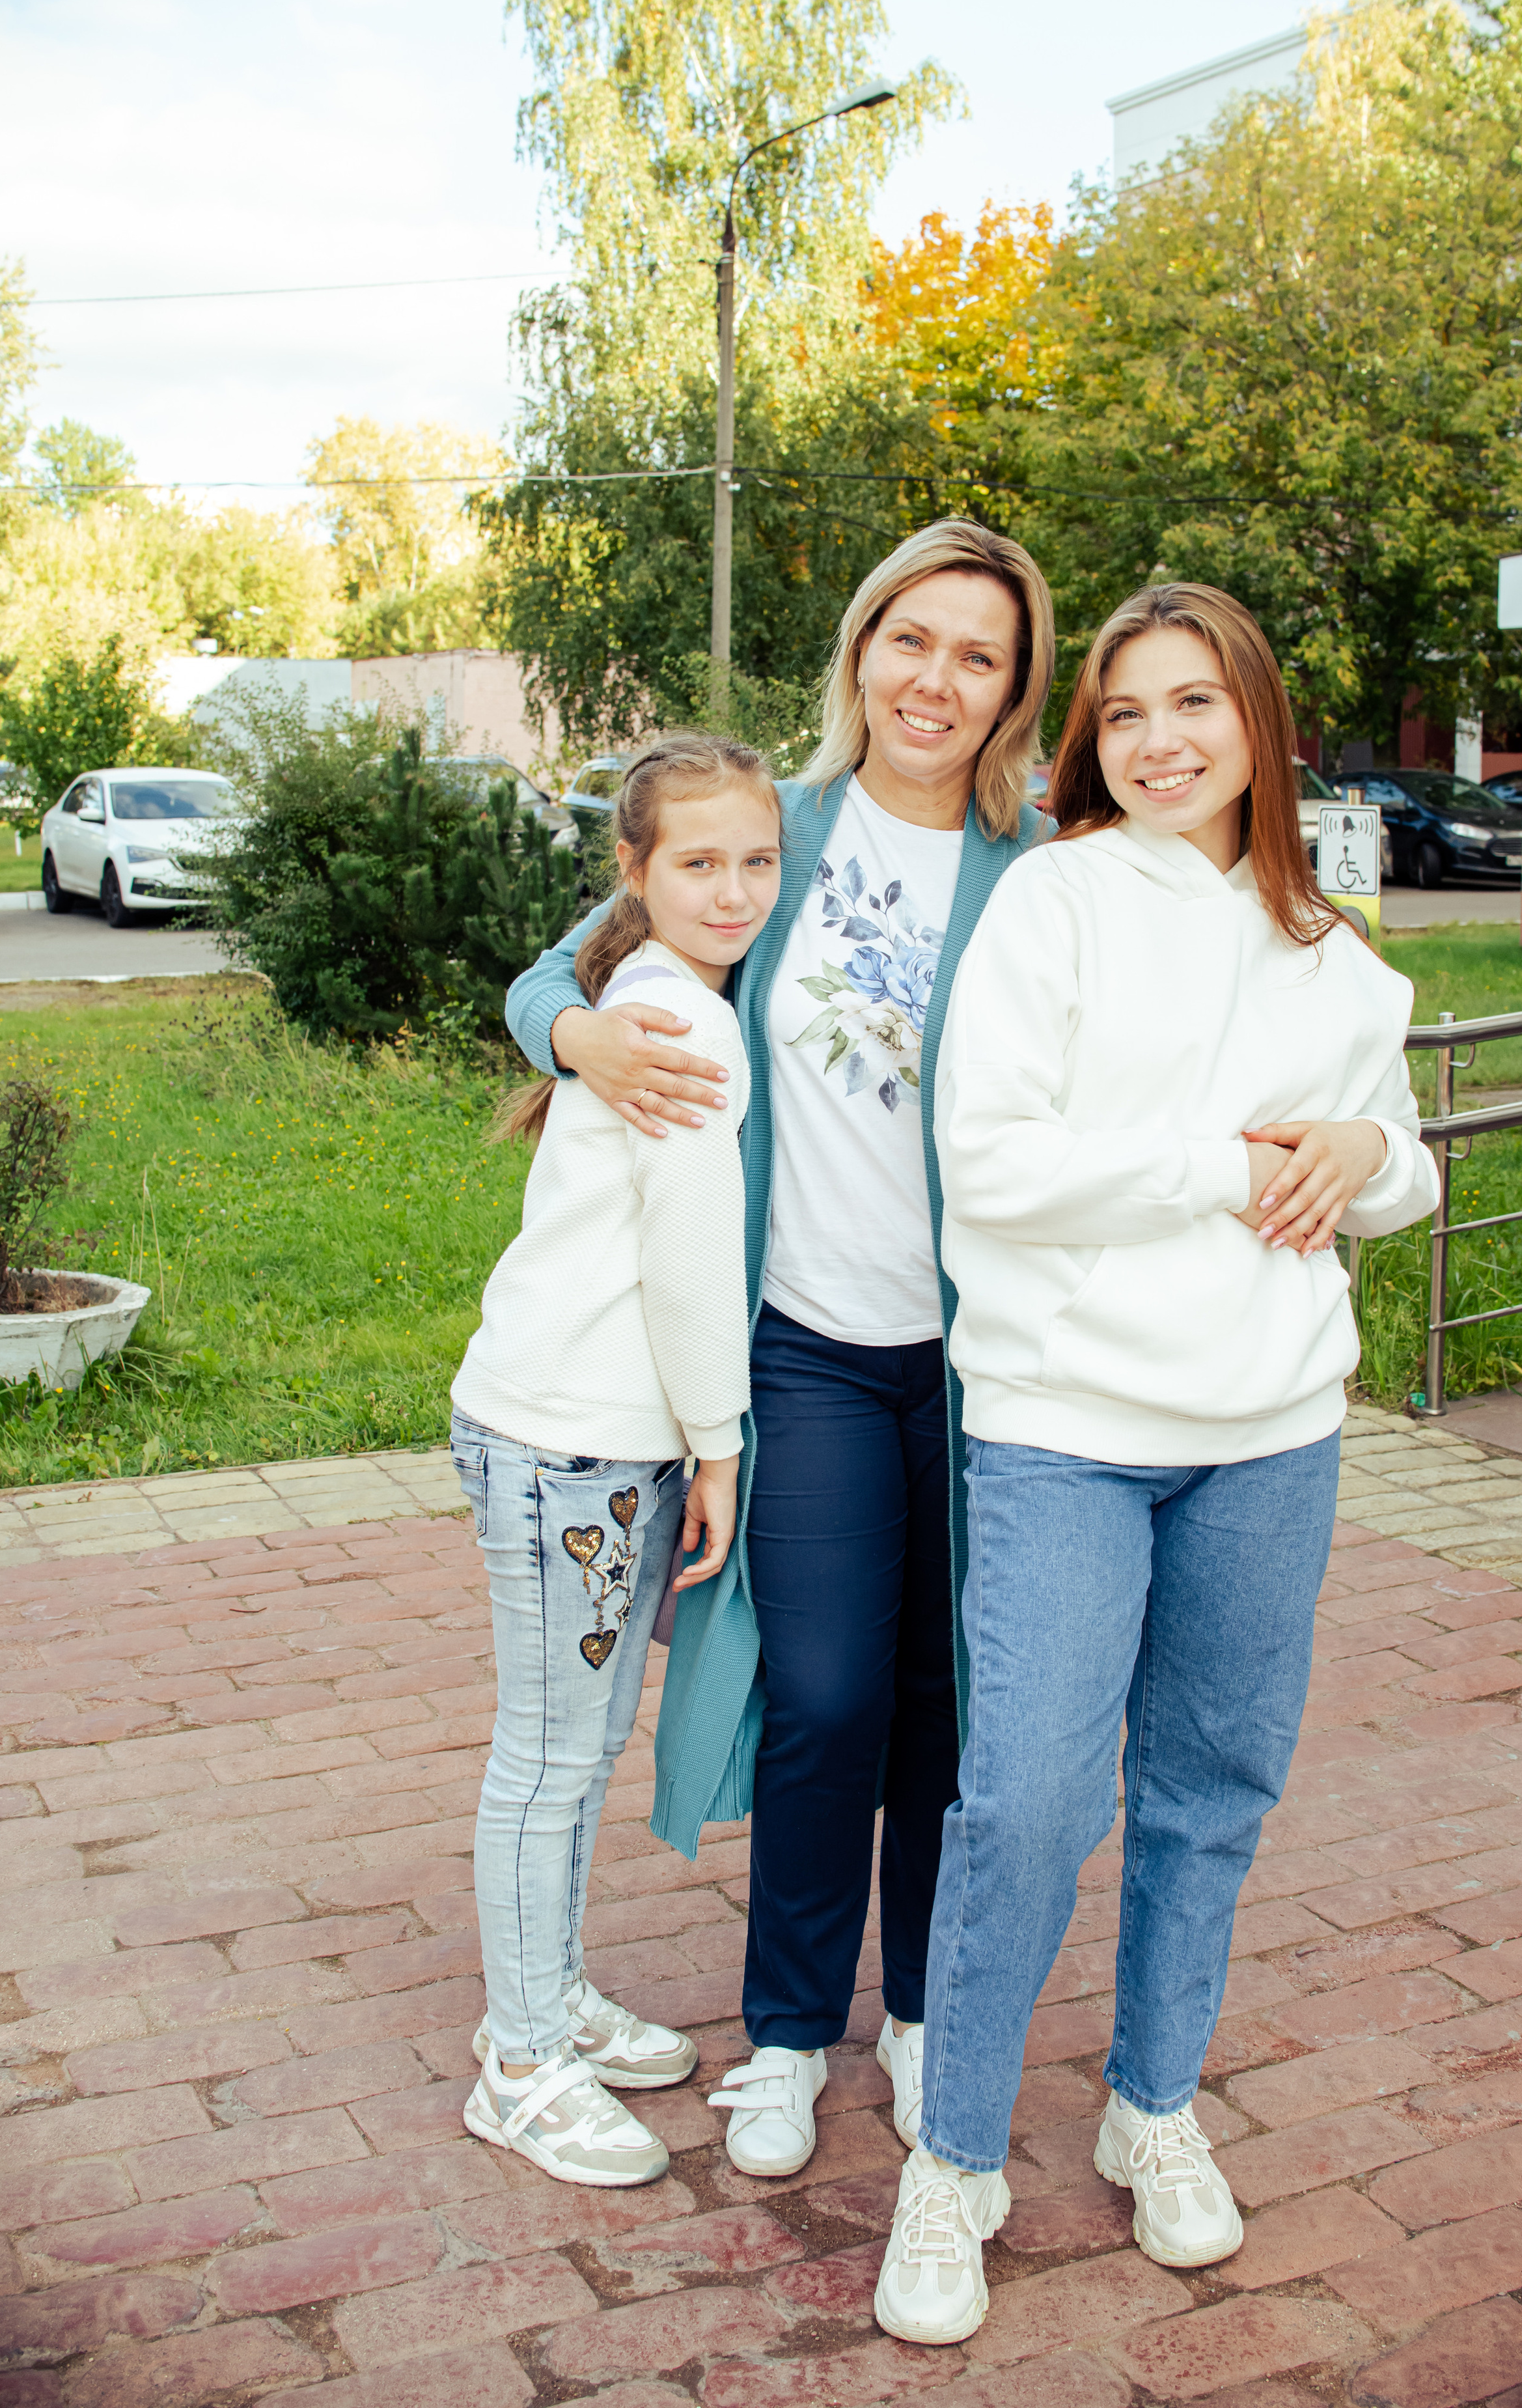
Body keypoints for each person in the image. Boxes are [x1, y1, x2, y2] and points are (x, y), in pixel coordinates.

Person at [872, 582, 1439, 2344]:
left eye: (1194, 703)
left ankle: (1152, 2105)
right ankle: (955, 2160)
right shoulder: (1054, 902)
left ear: (1258, 722)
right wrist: (1222, 1165)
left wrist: (1362, 1153)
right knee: (1029, 1803)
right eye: (1124, 713)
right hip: (1066, 1427)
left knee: (1212, 1791)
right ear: (1090, 742)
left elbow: (1400, 1163)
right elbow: (991, 1163)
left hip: (1271, 1436)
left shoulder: (1334, 951)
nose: (1159, 740)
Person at [503, 520, 1056, 2176]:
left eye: (977, 654)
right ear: (861, 649)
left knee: (945, 1702)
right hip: (803, 1344)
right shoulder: (778, 831)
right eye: (910, 639)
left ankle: (920, 2013)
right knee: (821, 1693)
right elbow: (553, 973)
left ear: (1013, 689)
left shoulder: (1036, 871)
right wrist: (583, 1035)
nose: (934, 680)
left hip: (980, 1358)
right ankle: (792, 2033)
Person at [450, 730, 782, 2188]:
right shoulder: (677, 1021)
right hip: (567, 1443)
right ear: (634, 873)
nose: (733, 892)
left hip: (592, 1438)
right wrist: (720, 1448)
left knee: (576, 1750)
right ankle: (521, 2064)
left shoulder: (664, 992)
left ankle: (549, 1995)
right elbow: (690, 1267)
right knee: (549, 1756)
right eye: (698, 864)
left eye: (756, 862)